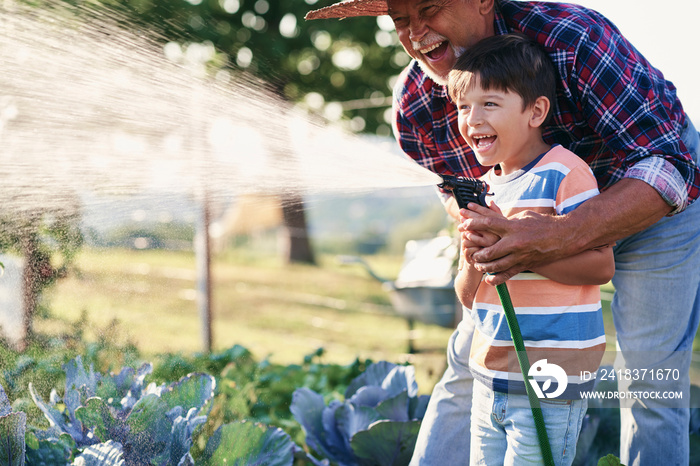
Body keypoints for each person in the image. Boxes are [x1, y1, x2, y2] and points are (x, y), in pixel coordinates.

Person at [305, 1, 700, 465]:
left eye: (429, 7)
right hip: (524, 231)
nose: (416, 32)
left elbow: (670, 168)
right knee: (468, 364)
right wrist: (485, 246)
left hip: (653, 203)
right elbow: (468, 202)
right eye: (400, 20)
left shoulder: (572, 39)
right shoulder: (417, 109)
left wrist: (559, 233)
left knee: (650, 380)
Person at [448, 32, 614, 465]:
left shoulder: (563, 174)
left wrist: (530, 249)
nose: (472, 119)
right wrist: (473, 255)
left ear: (535, 111)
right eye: (464, 107)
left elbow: (601, 265)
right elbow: (469, 297)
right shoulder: (482, 195)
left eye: (489, 104)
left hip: (550, 383)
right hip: (489, 379)